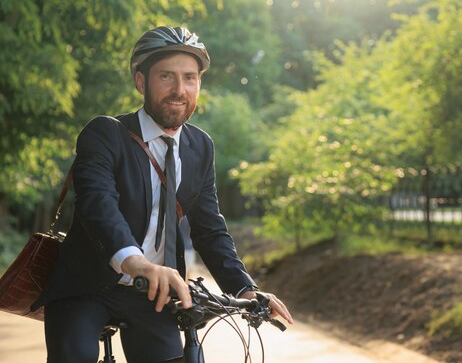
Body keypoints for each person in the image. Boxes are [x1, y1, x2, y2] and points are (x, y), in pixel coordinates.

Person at [33, 26, 293, 363]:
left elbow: (210, 228)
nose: (179, 89)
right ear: (141, 82)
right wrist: (137, 262)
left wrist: (246, 289)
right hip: (87, 286)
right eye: (166, 76)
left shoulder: (200, 147)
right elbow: (98, 205)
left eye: (189, 78)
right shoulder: (105, 133)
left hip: (154, 294)